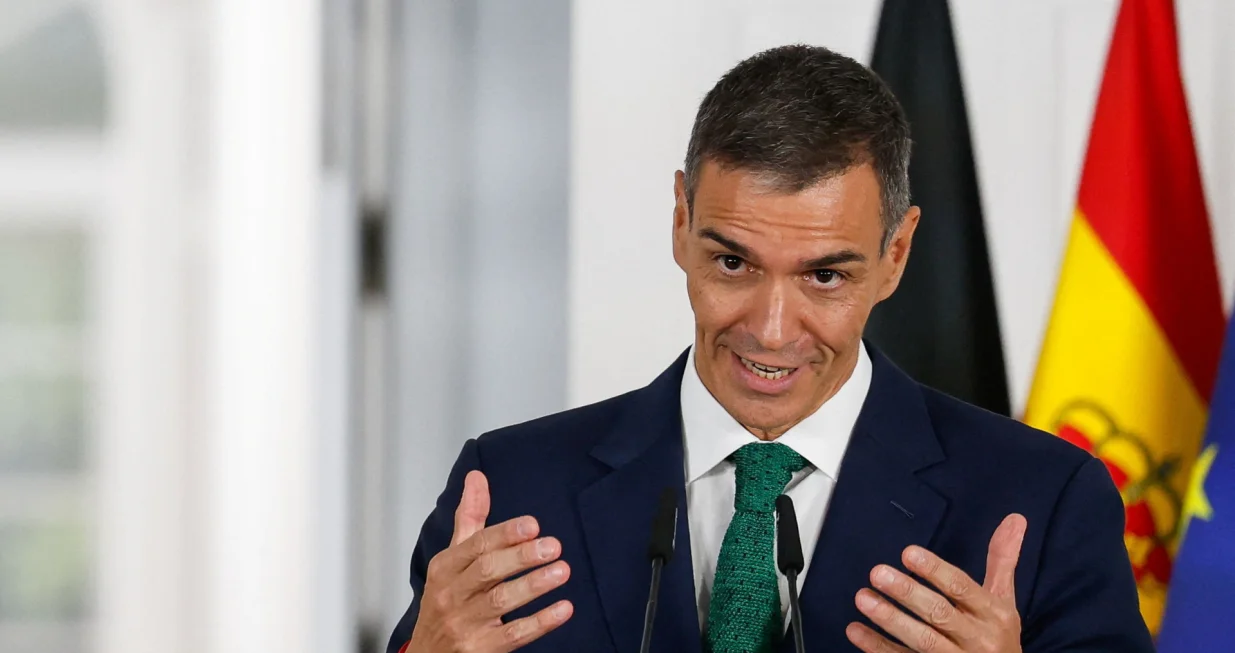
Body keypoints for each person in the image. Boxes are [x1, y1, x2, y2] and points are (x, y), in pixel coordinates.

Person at [387, 45, 1153, 653]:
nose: (772, 329)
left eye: (823, 275)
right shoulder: (511, 490)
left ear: (896, 253)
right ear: (681, 219)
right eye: (732, 263)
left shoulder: (1042, 501)